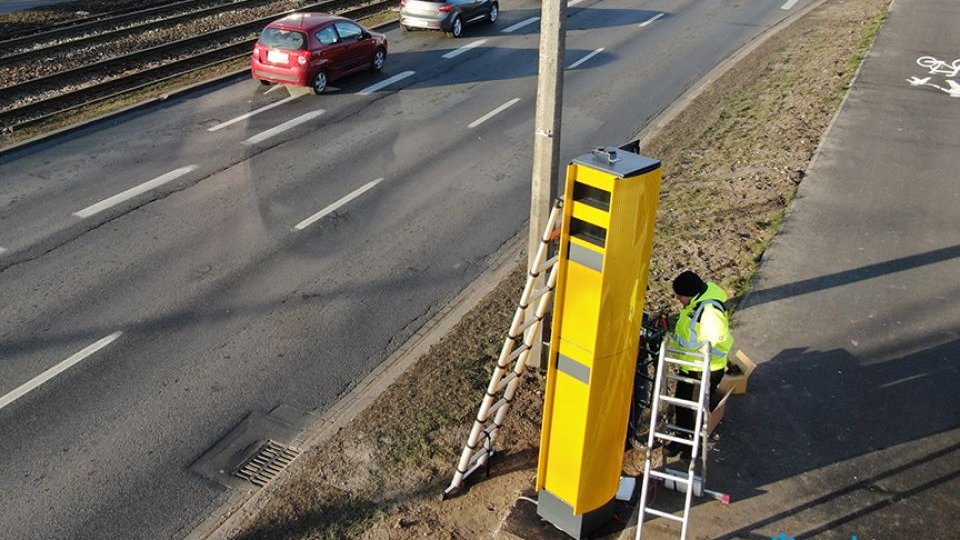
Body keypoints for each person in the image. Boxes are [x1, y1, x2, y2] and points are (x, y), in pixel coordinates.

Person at [665, 270, 734, 459]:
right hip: (689, 366)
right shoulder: (696, 302)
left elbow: (716, 341)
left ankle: (692, 446)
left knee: (695, 410)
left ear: (690, 293)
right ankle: (680, 439)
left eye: (680, 295)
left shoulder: (709, 311)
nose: (678, 298)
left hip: (705, 369)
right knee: (682, 404)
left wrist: (693, 354)